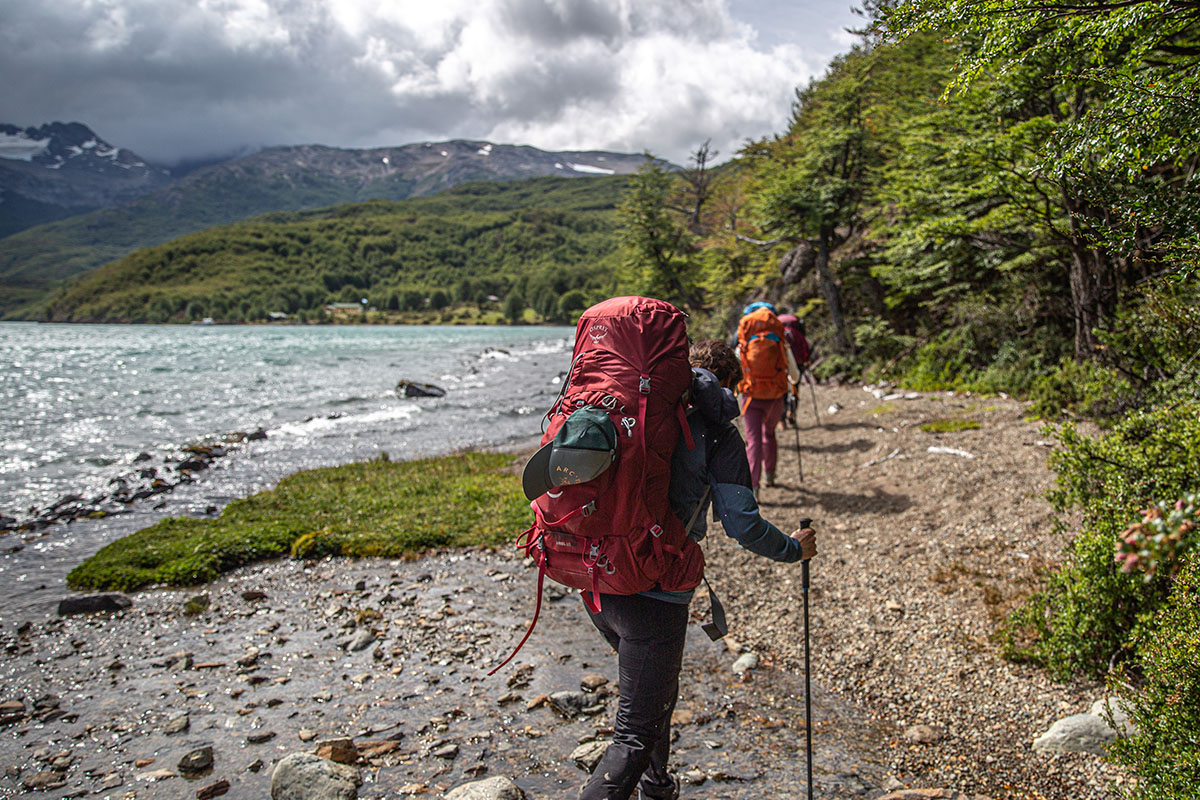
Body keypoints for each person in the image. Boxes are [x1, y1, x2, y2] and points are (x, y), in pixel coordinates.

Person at [576, 337, 817, 800]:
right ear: (729, 385)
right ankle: (647, 786)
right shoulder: (718, 432)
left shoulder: (636, 411)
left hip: (595, 580)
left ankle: (657, 787)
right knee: (634, 731)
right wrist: (793, 549)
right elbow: (743, 525)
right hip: (655, 595)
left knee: (653, 697)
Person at [736, 302, 799, 490]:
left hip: (751, 397)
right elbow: (795, 376)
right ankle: (770, 475)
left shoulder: (744, 344)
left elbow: (737, 372)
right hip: (775, 397)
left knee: (753, 441)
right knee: (769, 435)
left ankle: (753, 487)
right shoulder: (781, 342)